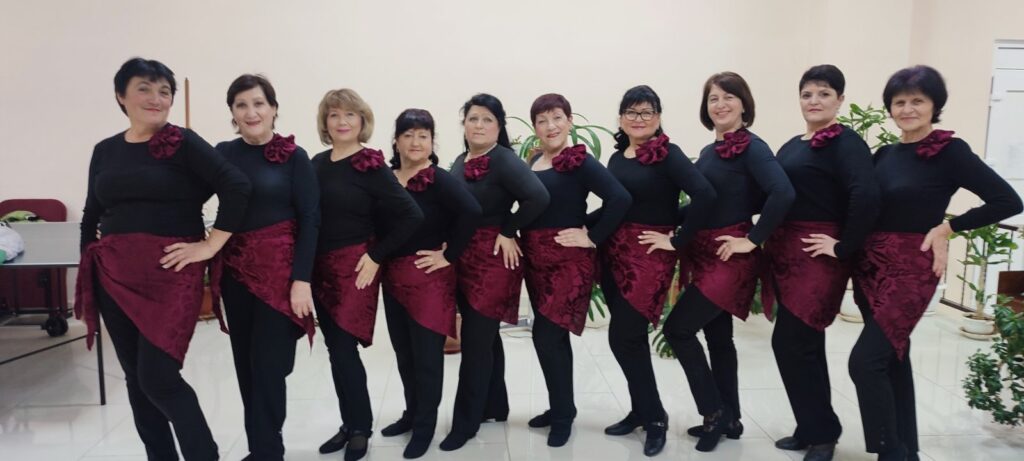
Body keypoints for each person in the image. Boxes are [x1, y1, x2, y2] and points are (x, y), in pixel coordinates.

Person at [75, 57, 251, 461]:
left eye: (164, 91)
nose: (156, 98)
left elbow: (237, 186)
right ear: (121, 96)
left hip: (172, 277)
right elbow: (90, 214)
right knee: (136, 380)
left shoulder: (183, 142)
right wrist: (89, 265)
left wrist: (210, 245)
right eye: (144, 88)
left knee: (158, 378)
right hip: (113, 278)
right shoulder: (105, 150)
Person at [848, 65, 1022, 461]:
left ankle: (890, 450)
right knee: (893, 357)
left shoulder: (950, 151)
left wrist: (948, 228)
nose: (907, 109)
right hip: (870, 267)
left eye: (917, 101)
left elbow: (1008, 200)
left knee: (865, 362)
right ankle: (904, 450)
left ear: (934, 105)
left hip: (911, 268)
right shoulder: (884, 154)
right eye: (899, 102)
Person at [662, 72, 794, 452]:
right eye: (713, 99)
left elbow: (783, 193)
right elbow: (706, 204)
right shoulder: (709, 152)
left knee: (678, 330)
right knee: (719, 338)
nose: (720, 105)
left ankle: (714, 413)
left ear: (743, 103)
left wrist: (751, 239)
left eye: (728, 97)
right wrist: (661, 218)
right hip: (705, 254)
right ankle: (731, 418)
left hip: (729, 258)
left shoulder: (753, 147)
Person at [764, 64, 881, 461]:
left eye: (824, 93)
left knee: (790, 343)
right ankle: (812, 428)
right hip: (786, 256)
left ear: (840, 99)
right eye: (807, 94)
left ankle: (823, 434)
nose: (814, 101)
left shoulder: (846, 143)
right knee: (806, 345)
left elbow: (865, 195)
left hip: (817, 258)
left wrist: (844, 246)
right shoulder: (792, 145)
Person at [602, 84, 717, 457]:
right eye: (631, 112)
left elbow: (705, 195)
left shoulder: (669, 154)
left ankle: (655, 419)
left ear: (658, 117)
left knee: (623, 335)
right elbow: (615, 206)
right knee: (627, 338)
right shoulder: (617, 159)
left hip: (650, 256)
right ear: (621, 118)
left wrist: (678, 239)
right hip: (614, 253)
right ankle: (642, 409)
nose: (638, 119)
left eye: (647, 112)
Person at [311, 89, 423, 461]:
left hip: (355, 268)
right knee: (334, 350)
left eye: (350, 114)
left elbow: (411, 215)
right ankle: (349, 424)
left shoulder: (369, 165)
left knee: (344, 350)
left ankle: (360, 428)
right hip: (320, 269)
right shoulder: (316, 164)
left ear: (362, 120)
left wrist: (376, 255)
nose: (342, 121)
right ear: (325, 122)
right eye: (334, 115)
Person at [213, 73, 319, 461]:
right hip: (236, 274)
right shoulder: (223, 153)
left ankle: (267, 450)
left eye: (259, 103)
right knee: (246, 364)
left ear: (273, 109)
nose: (251, 112)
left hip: (280, 277)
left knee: (270, 366)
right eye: (241, 105)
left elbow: (311, 219)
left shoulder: (295, 157)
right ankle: (263, 448)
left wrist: (302, 280)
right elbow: (186, 191)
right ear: (233, 113)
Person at [441, 93, 550, 451]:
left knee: (474, 342)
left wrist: (508, 229)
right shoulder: (461, 160)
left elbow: (538, 197)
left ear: (498, 126)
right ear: (464, 124)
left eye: (487, 119)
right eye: (473, 118)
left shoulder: (503, 159)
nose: (479, 125)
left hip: (493, 261)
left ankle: (464, 424)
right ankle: (494, 406)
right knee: (486, 338)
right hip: (463, 259)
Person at [521, 93, 631, 447]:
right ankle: (561, 407)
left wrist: (591, 236)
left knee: (546, 336)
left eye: (557, 117)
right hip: (536, 261)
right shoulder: (533, 160)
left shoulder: (579, 161)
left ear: (569, 121)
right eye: (542, 120)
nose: (550, 126)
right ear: (535, 127)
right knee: (552, 337)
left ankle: (563, 416)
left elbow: (620, 198)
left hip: (569, 262)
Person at [378, 108, 481, 459]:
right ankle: (411, 414)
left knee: (426, 359)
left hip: (429, 282)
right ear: (396, 140)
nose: (415, 142)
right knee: (404, 354)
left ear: (432, 141)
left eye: (423, 135)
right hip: (392, 279)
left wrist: (449, 256)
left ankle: (424, 428)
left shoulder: (439, 179)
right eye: (408, 135)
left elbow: (471, 212)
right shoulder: (386, 178)